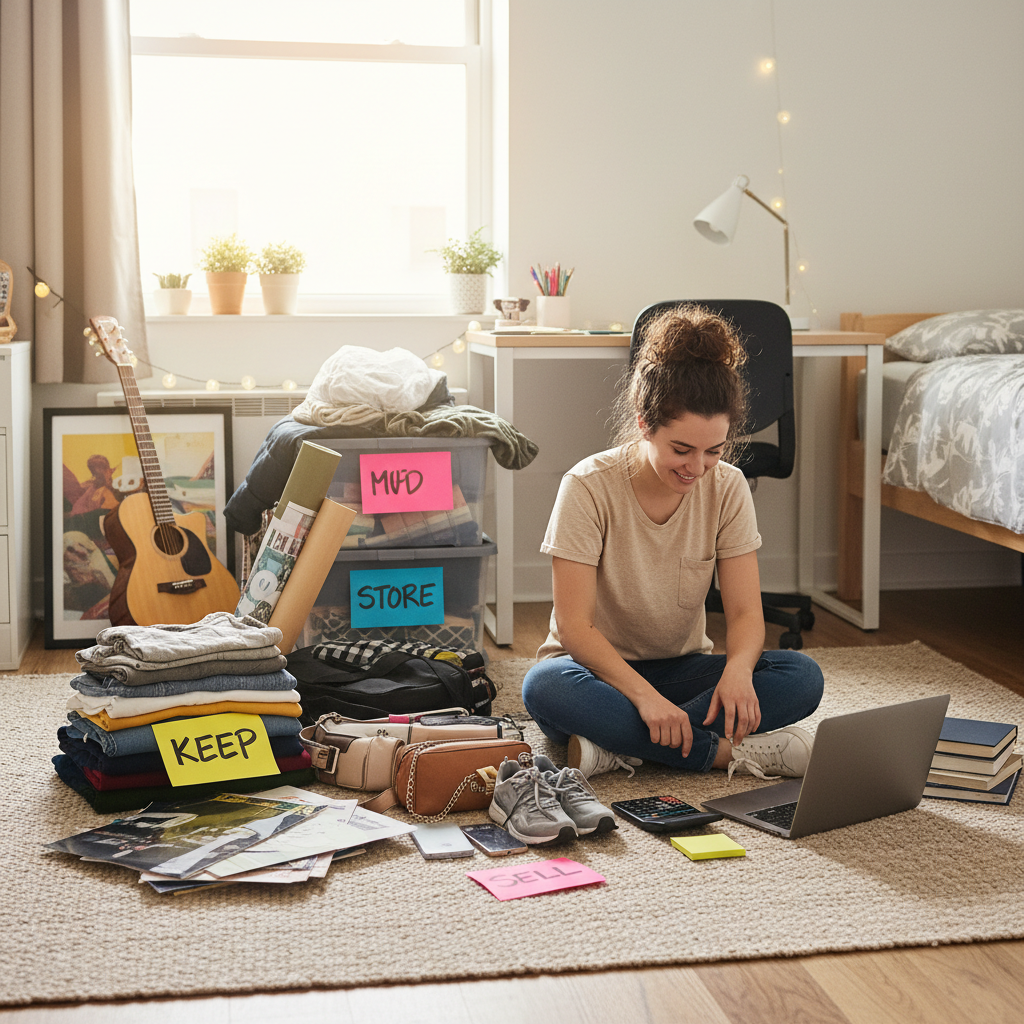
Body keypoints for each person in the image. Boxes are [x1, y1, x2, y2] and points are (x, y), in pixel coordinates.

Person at [522, 304, 824, 780]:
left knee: (802, 677)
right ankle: (722, 753)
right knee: (543, 687)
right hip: (597, 676)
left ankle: (619, 747)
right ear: (645, 423)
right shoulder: (587, 485)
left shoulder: (728, 487)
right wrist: (643, 698)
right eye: (681, 449)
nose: (696, 466)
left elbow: (746, 614)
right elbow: (575, 630)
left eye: (714, 450)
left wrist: (739, 672)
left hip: (682, 674)